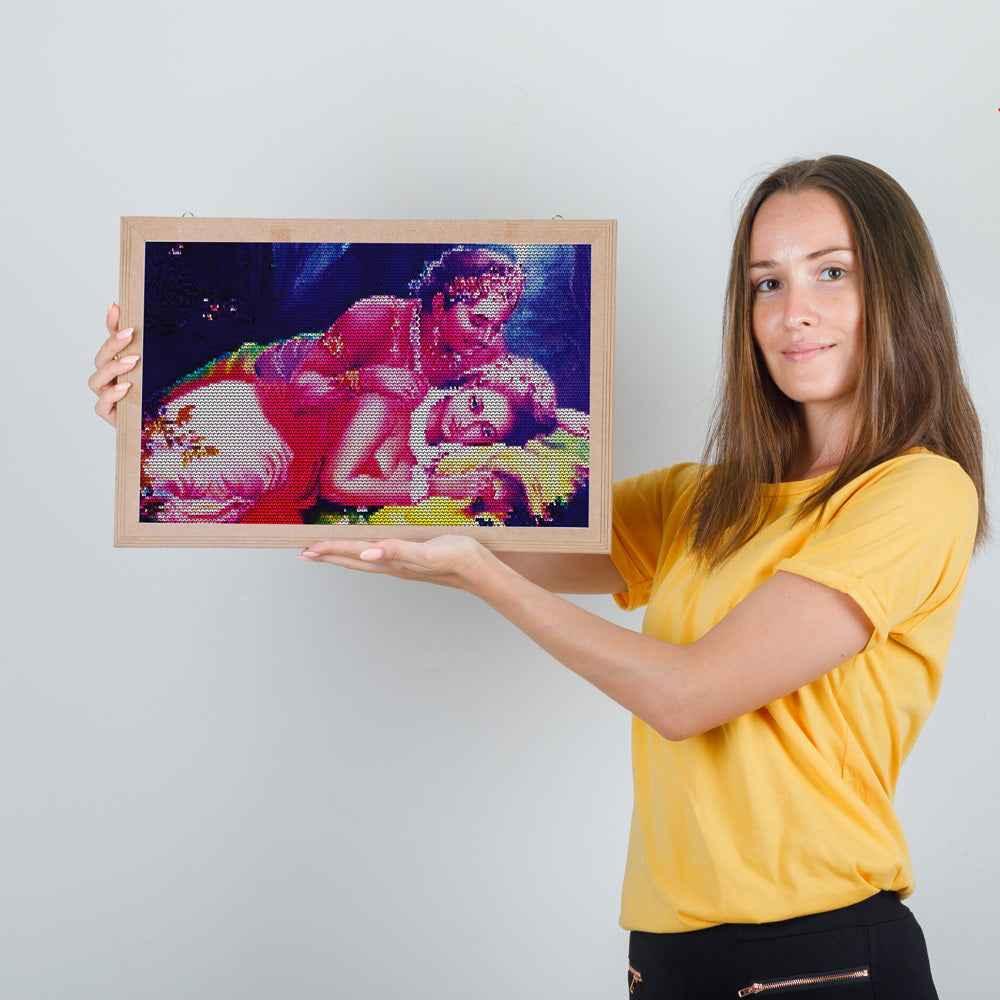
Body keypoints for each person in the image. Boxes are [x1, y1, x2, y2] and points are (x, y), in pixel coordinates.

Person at [89, 155, 986, 999]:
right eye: (767, 281)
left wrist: (486, 577)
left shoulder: (917, 492)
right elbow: (466, 538)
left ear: (898, 291)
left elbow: (690, 694)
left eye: (833, 272)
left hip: (821, 960)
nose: (794, 309)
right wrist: (164, 437)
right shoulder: (706, 501)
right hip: (667, 956)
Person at [135, 352, 567, 523]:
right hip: (249, 424)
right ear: (467, 385)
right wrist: (433, 486)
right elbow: (337, 484)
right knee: (163, 484)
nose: (468, 427)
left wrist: (560, 420)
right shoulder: (403, 394)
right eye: (474, 406)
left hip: (280, 469)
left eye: (485, 432)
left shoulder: (430, 453)